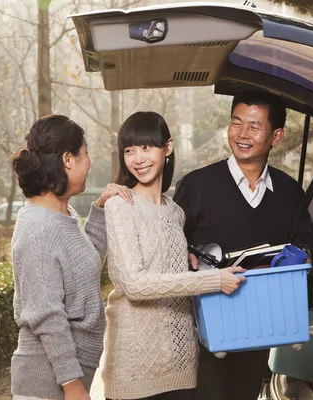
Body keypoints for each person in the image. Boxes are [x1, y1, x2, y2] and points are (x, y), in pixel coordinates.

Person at [173, 91, 313, 400]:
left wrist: (298, 257)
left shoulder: (288, 192)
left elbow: (310, 244)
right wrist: (184, 254)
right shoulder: (197, 186)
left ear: (276, 136)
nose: (242, 134)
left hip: (260, 331)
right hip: (207, 335)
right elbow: (171, 245)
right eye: (236, 123)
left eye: (254, 126)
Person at [101, 111, 247, 400]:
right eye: (129, 150)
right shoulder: (120, 206)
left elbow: (172, 278)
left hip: (181, 364)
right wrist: (213, 281)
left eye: (146, 147)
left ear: (167, 147)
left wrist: (196, 268)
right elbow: (135, 285)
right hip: (135, 368)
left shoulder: (175, 212)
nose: (138, 158)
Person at [10, 114, 132, 400]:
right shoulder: (38, 227)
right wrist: (71, 384)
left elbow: (83, 264)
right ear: (68, 160)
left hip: (73, 379)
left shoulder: (61, 214)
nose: (89, 162)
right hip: (48, 386)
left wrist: (100, 209)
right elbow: (47, 315)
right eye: (85, 153)